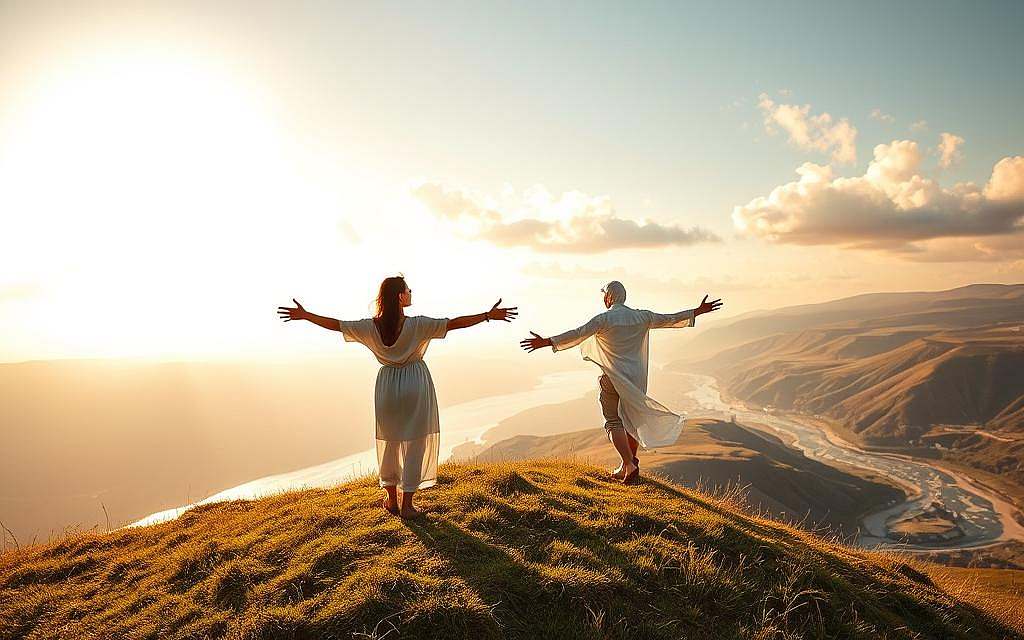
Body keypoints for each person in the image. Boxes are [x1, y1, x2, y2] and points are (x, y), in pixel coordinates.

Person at [278, 276, 517, 518]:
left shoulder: (370, 327)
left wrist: (307, 316)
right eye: (408, 290)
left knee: (389, 442)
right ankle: (408, 505)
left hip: (387, 387)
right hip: (415, 381)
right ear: (400, 297)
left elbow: (337, 325)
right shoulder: (417, 325)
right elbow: (455, 324)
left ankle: (392, 501)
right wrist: (487, 315)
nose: (411, 292)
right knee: (416, 442)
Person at [520, 281, 721, 484]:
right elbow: (671, 319)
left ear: (609, 298)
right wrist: (698, 311)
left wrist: (547, 341)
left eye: (603, 297)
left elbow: (578, 333)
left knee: (613, 421)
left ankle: (629, 464)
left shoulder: (604, 319)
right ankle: (626, 465)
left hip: (612, 377)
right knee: (632, 421)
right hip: (636, 378)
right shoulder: (642, 316)